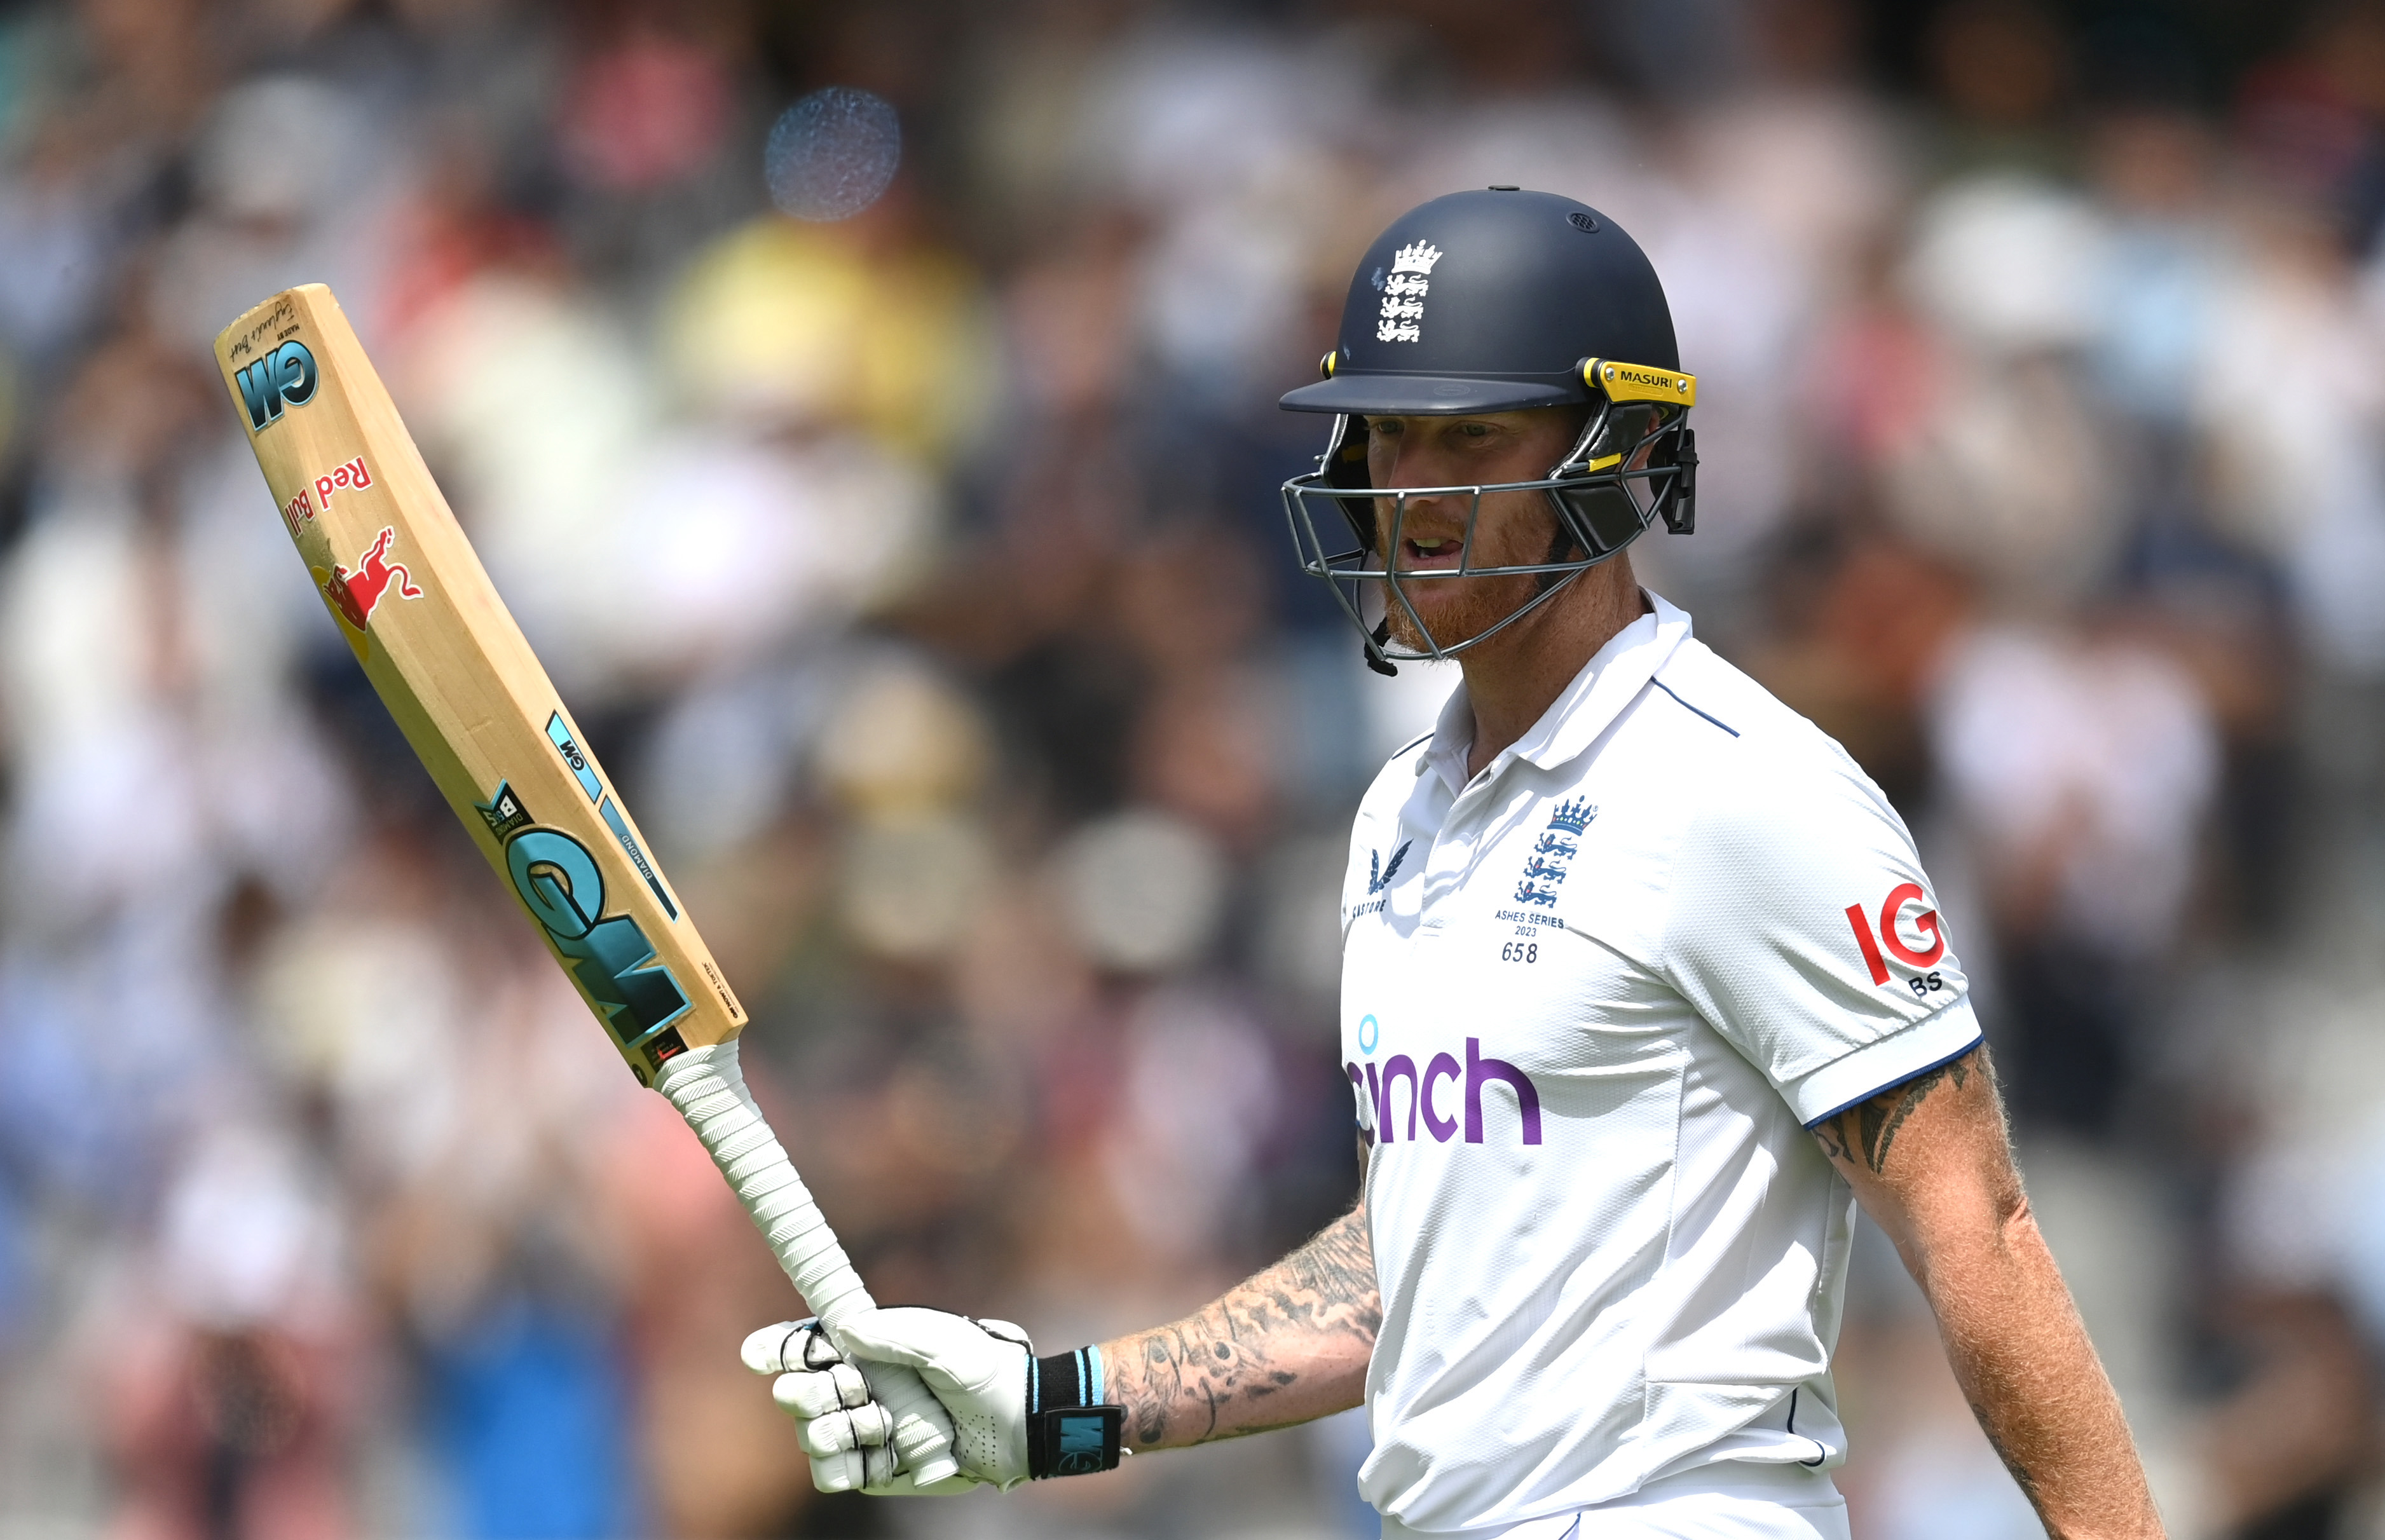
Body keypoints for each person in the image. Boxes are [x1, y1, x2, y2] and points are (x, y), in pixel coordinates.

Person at [739, 189, 2165, 1539]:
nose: (1406, 495)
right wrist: (1060, 1405)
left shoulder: (1742, 791)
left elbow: (1974, 1228)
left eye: (1468, 445)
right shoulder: (1397, 815)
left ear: (1614, 454)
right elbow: (1406, 1273)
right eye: (1381, 441)